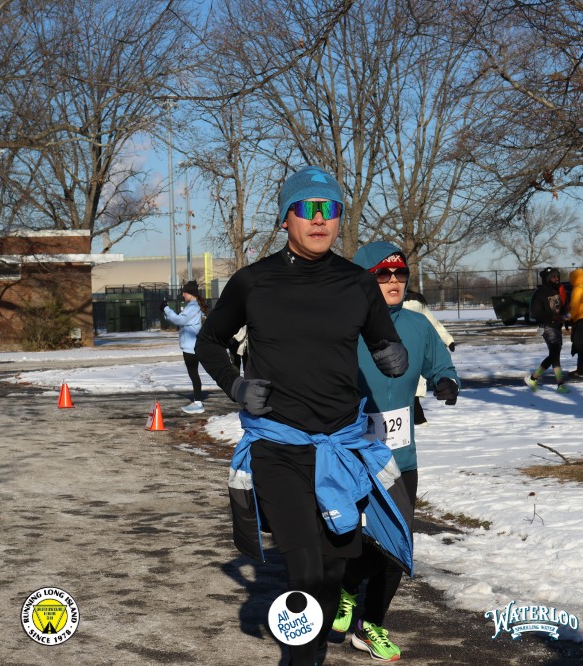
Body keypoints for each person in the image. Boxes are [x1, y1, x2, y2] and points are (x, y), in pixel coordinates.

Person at [195, 166, 412, 666]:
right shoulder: (254, 282)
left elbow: (384, 340)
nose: (319, 219)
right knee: (307, 570)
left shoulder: (357, 283)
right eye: (307, 208)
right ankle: (301, 661)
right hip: (279, 448)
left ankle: (310, 651)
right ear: (285, 219)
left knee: (335, 570)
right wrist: (235, 384)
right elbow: (209, 341)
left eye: (329, 209)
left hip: (341, 449)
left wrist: (391, 354)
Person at [332, 242, 460, 661]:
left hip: (400, 459)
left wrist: (446, 382)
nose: (393, 281)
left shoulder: (418, 325)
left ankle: (370, 626)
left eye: (400, 274)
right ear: (364, 280)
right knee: (351, 538)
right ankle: (345, 587)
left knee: (397, 546)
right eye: (383, 274)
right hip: (351, 454)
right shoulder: (343, 328)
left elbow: (440, 363)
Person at [402, 290, 455, 426]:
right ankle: (417, 417)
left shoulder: (396, 305)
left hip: (403, 347)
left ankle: (417, 416)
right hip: (416, 347)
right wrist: (448, 339)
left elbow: (431, 324)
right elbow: (433, 324)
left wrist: (448, 340)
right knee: (415, 379)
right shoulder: (420, 305)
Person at [162, 280, 208, 414]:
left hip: (191, 347)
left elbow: (179, 320)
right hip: (191, 346)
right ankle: (197, 401)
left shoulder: (193, 307)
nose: (183, 295)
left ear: (191, 293)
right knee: (193, 374)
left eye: (184, 293)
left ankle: (198, 403)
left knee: (194, 374)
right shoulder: (193, 306)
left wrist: (166, 309)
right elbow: (178, 320)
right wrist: (165, 312)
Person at [524, 268, 570, 393]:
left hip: (557, 326)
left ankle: (535, 379)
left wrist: (565, 315)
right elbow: (535, 313)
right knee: (555, 352)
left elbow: (563, 307)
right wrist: (553, 317)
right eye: (553, 277)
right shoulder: (540, 293)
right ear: (547, 279)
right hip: (546, 326)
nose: (556, 279)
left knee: (555, 354)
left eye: (557, 276)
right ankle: (559, 384)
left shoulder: (558, 290)